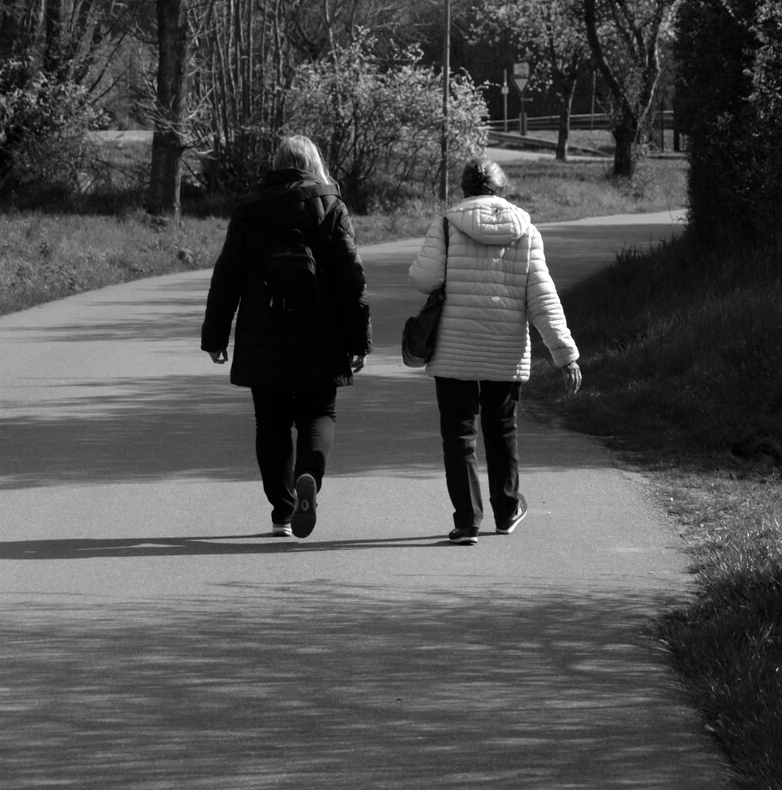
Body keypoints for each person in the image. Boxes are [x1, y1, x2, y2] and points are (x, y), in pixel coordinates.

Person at [201, 134, 370, 538]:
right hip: (321, 330)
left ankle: (283, 509)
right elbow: (351, 279)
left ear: (277, 164)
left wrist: (215, 336)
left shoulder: (250, 209)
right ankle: (309, 474)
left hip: (265, 329)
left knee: (271, 423)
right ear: (315, 164)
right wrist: (358, 339)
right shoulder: (331, 206)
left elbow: (226, 277)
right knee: (319, 413)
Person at [407, 157, 581, 545]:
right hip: (505, 348)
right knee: (501, 430)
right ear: (501, 190)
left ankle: (467, 521)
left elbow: (423, 278)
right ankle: (505, 512)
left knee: (458, 434)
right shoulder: (526, 229)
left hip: (453, 347)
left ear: (465, 189)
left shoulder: (447, 224)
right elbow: (542, 296)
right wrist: (564, 353)